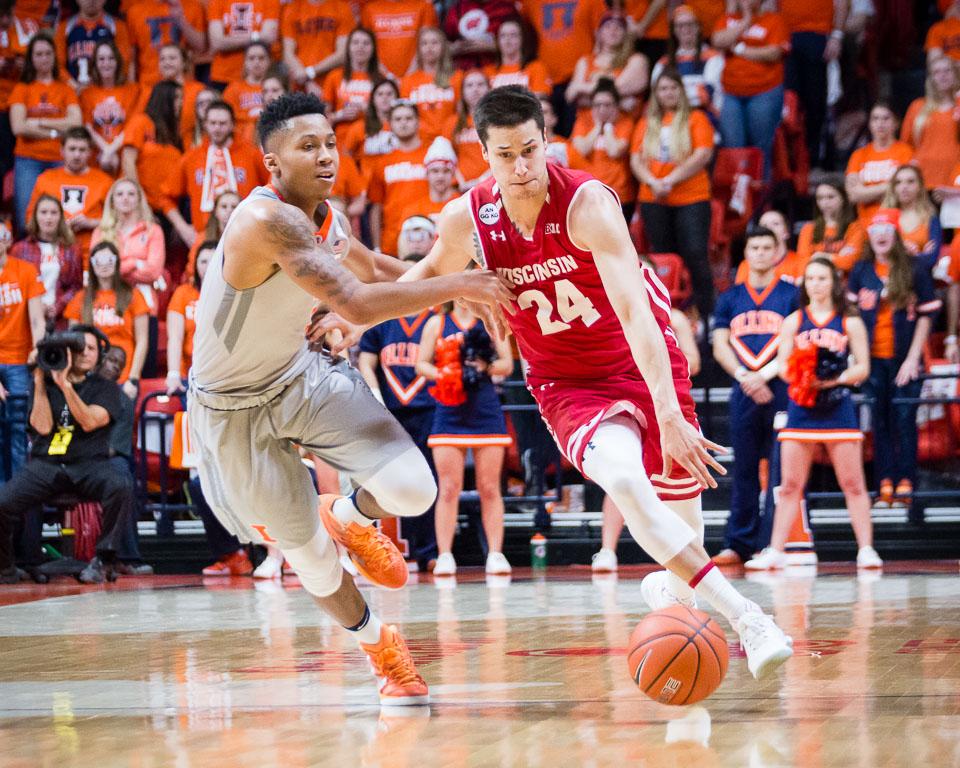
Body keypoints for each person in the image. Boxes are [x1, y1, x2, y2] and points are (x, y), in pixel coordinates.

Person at [323, 85, 793, 680]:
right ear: (483, 156)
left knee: (685, 535)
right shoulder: (469, 216)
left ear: (547, 143)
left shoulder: (589, 204)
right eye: (504, 155)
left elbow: (635, 314)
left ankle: (676, 602)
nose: (520, 169)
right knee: (624, 479)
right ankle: (749, 617)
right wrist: (355, 314)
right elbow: (420, 281)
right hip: (566, 381)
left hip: (641, 354)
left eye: (529, 150)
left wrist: (670, 413)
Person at [188, 92, 514, 705]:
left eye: (331, 143)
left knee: (415, 490)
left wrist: (449, 293)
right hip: (230, 409)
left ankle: (349, 515)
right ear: (272, 164)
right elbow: (357, 305)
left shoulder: (326, 216)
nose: (326, 155)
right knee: (309, 562)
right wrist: (463, 281)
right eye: (307, 146)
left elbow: (371, 267)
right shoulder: (267, 221)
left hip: (298, 375)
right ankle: (378, 649)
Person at [744, 258, 881, 570]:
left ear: (833, 282)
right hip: (801, 409)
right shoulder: (794, 320)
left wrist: (835, 377)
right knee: (790, 484)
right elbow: (783, 365)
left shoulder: (850, 321)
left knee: (853, 483)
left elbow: (862, 367)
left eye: (822, 278)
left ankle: (866, 550)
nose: (816, 284)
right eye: (810, 279)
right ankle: (776, 551)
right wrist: (804, 375)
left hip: (838, 409)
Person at [0, 326, 136, 585]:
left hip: (89, 464)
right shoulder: (45, 381)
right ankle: (5, 568)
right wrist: (40, 381)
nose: (84, 352)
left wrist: (66, 387)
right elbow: (41, 427)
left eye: (92, 348)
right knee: (3, 503)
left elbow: (89, 421)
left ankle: (103, 560)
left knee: (121, 484)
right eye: (79, 347)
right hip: (46, 463)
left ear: (100, 355)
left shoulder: (105, 387)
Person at [592, 252, 702, 572]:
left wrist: (661, 359)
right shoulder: (612, 311)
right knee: (621, 477)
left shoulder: (676, 317)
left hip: (669, 400)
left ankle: (686, 567)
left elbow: (693, 361)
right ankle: (607, 550)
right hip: (627, 398)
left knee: (679, 487)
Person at [708, 226, 798, 566]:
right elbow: (719, 346)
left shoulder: (792, 294)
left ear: (777, 253)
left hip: (781, 387)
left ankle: (772, 543)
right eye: (754, 247)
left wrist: (765, 375)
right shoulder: (730, 298)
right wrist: (746, 376)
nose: (760, 253)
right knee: (743, 467)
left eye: (766, 247)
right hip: (744, 388)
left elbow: (794, 345)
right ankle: (738, 543)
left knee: (779, 468)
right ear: (745, 254)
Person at [847, 209, 941, 509]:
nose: (881, 235)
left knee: (904, 418)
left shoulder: (914, 268)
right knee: (879, 420)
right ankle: (883, 483)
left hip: (905, 358)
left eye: (887, 230)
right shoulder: (861, 271)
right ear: (870, 237)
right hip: (872, 359)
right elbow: (851, 319)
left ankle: (907, 482)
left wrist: (913, 359)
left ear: (896, 235)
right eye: (875, 231)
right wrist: (856, 357)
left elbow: (927, 316)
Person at [416, 303, 514, 576]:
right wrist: (445, 374)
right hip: (449, 409)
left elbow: (507, 364)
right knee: (448, 487)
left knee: (489, 487)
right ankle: (445, 554)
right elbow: (421, 364)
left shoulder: (491, 320)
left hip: (485, 409)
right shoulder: (437, 323)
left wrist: (485, 366)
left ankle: (495, 553)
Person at [630, 68, 714, 323]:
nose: (668, 93)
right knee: (663, 255)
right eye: (663, 88)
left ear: (681, 91)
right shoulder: (646, 122)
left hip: (692, 197)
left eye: (673, 88)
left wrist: (670, 179)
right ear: (656, 94)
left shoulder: (696, 118)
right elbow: (635, 159)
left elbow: (703, 154)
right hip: (654, 198)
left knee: (695, 253)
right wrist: (653, 181)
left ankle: (708, 314)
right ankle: (667, 313)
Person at [161, 100, 269, 247]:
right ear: (205, 124)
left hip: (248, 236)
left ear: (232, 125)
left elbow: (272, 189)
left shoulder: (252, 154)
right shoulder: (192, 157)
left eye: (223, 123)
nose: (217, 128)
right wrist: (184, 229)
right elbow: (166, 197)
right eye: (212, 123)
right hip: (205, 239)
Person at [9, 32, 82, 233]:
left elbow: (75, 123)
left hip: (60, 159)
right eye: (38, 54)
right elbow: (18, 127)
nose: (44, 58)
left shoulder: (65, 89)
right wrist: (57, 129)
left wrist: (38, 122)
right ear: (31, 58)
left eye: (48, 53)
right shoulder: (22, 88)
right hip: (28, 159)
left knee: (61, 218)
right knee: (26, 218)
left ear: (55, 56)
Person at [711, 0, 790, 179]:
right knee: (733, 148)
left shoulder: (774, 20)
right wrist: (746, 21)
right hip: (731, 93)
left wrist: (738, 48)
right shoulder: (728, 18)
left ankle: (760, 200)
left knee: (760, 149)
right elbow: (718, 41)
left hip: (764, 91)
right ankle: (737, 200)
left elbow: (773, 53)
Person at [96, 344, 153, 576]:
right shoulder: (82, 389)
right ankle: (29, 560)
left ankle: (128, 557)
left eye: (119, 365)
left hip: (103, 459)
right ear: (99, 360)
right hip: (72, 458)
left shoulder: (123, 400)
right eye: (110, 360)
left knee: (123, 477)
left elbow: (114, 448)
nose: (113, 367)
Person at [64, 241, 150, 394]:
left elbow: (142, 340)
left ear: (117, 262)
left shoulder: (133, 296)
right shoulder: (80, 299)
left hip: (123, 377)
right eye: (98, 261)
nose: (104, 265)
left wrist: (133, 379)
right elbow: (73, 342)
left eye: (109, 260)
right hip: (88, 378)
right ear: (91, 264)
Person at [0, 224, 45, 481]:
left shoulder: (25, 270)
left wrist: (37, 351)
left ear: (8, 241)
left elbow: (38, 320)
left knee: (19, 431)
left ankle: (18, 500)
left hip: (18, 361)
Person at [28, 127, 114, 263]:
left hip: (93, 254)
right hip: (52, 255)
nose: (77, 155)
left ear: (90, 152)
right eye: (72, 149)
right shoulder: (45, 179)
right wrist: (58, 224)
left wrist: (92, 223)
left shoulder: (105, 181)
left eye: (82, 150)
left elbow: (118, 220)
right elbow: (30, 219)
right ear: (62, 151)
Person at [91, 177, 166, 312]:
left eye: (131, 194)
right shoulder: (100, 232)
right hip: (108, 302)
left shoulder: (153, 230)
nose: (125, 198)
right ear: (112, 200)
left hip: (144, 301)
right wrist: (135, 263)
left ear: (139, 199)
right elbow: (96, 268)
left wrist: (116, 266)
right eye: (119, 194)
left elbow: (154, 272)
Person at [367, 99, 429, 255]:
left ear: (417, 122)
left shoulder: (432, 154)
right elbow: (376, 207)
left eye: (408, 118)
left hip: (429, 237)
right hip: (392, 241)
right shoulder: (382, 162)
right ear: (390, 124)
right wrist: (376, 247)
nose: (403, 123)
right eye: (398, 119)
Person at [11, 195, 84, 325]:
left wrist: (58, 306)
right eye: (43, 212)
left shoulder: (72, 249)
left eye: (54, 213)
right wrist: (37, 306)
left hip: (61, 319)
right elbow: (14, 286)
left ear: (61, 217)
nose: (48, 218)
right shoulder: (19, 249)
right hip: (27, 319)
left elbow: (76, 286)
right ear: (35, 216)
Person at [570, 79, 636, 220]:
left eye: (607, 105)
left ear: (616, 106)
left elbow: (614, 151)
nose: (602, 110)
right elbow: (581, 150)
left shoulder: (625, 122)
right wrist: (597, 127)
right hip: (588, 193)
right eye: (597, 105)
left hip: (618, 194)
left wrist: (607, 128)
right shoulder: (584, 121)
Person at [566, 12, 649, 118]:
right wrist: (621, 102)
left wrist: (580, 87)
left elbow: (618, 88)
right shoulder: (585, 61)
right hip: (585, 125)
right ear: (599, 33)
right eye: (608, 26)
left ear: (626, 34)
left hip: (622, 124)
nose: (613, 31)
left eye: (618, 27)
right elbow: (572, 96)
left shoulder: (637, 60)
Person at [121, 80, 183, 214]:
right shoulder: (141, 121)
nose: (181, 102)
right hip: (142, 206)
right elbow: (128, 161)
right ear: (164, 98)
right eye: (177, 97)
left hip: (167, 207)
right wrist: (138, 200)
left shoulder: (175, 132)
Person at [845, 102, 914, 223]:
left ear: (896, 123)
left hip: (898, 222)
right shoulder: (859, 155)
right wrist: (891, 186)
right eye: (875, 118)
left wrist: (865, 192)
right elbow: (853, 195)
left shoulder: (906, 152)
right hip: (865, 223)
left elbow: (908, 190)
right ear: (870, 124)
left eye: (886, 118)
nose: (880, 124)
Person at [651, 5, 723, 119]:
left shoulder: (713, 58)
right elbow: (656, 96)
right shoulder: (663, 62)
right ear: (673, 30)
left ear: (698, 27)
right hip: (670, 119)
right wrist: (694, 91)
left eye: (690, 24)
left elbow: (706, 94)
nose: (685, 29)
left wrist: (670, 97)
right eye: (680, 26)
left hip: (704, 118)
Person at [79, 39, 139, 175]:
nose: (106, 63)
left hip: (123, 154)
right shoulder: (87, 93)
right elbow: (88, 128)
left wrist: (111, 150)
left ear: (117, 62)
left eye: (111, 58)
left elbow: (131, 127)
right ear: (95, 64)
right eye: (101, 59)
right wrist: (105, 150)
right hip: (96, 156)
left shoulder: (132, 91)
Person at [901, 56, 960, 191]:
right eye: (937, 72)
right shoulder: (917, 106)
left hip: (956, 178)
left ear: (956, 74)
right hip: (923, 177)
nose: (942, 76)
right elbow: (905, 143)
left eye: (947, 71)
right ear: (931, 78)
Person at [126, 0, 205, 94]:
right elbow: (132, 59)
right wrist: (132, 90)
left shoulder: (193, 6)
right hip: (148, 86)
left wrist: (181, 20)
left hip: (183, 85)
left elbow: (201, 46)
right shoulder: (135, 11)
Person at [166, 240, 214, 395]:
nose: (207, 267)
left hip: (221, 374)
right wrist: (173, 374)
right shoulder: (183, 293)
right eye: (203, 261)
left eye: (213, 261)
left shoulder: (232, 294)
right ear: (195, 265)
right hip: (190, 375)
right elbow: (175, 338)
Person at [400, 27, 463, 144]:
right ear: (418, 49)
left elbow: (461, 112)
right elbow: (405, 116)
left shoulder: (457, 77)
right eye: (424, 43)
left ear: (443, 47)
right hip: (419, 141)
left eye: (435, 42)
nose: (429, 47)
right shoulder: (408, 81)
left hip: (451, 139)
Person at [54, 0, 131, 92]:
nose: (91, 1)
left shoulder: (117, 27)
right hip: (73, 92)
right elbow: (57, 65)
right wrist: (73, 85)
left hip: (106, 91)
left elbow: (124, 63)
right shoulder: (65, 28)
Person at [281, 0, 353, 94]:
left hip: (331, 80)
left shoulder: (341, 8)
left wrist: (311, 72)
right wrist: (307, 79)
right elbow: (288, 53)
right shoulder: (292, 8)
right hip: (299, 81)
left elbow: (343, 53)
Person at [322, 28, 381, 144]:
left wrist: (368, 110)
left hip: (372, 138)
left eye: (366, 43)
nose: (360, 47)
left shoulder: (380, 79)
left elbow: (388, 116)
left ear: (373, 49)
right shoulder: (334, 76)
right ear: (348, 47)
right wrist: (340, 115)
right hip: (340, 140)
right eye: (355, 42)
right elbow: (322, 117)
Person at [878, 164, 941, 270]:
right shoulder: (883, 217)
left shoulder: (931, 218)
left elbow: (931, 259)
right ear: (893, 187)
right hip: (887, 278)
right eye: (898, 182)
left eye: (910, 181)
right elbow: (879, 258)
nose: (904, 187)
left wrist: (897, 253)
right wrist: (916, 254)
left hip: (921, 280)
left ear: (920, 186)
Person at [207, 0, 279, 90]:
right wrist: (256, 36)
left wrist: (227, 40)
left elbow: (269, 37)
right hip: (223, 76)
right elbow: (217, 42)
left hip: (261, 77)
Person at [795, 179, 864, 272]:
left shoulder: (856, 228)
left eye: (830, 197)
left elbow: (849, 262)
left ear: (843, 198)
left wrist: (819, 256)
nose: (824, 203)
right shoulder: (808, 228)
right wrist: (837, 258)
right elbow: (803, 262)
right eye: (820, 198)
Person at [361, 0, 438, 79]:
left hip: (416, 77)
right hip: (380, 80)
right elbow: (367, 46)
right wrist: (389, 77)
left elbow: (427, 43)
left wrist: (408, 77)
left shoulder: (424, 6)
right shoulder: (369, 9)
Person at [734, 209, 806, 286]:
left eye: (775, 224)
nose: (769, 228)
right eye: (764, 225)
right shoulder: (747, 265)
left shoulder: (802, 262)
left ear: (786, 232)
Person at [446, 70, 491, 189]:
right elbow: (447, 156)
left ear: (489, 89)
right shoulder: (452, 122)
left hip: (492, 185)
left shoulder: (499, 120)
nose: (475, 89)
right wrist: (461, 182)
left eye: (480, 84)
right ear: (462, 92)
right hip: (461, 187)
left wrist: (482, 181)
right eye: (469, 85)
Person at [484, 17, 551, 96]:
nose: (507, 40)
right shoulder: (487, 72)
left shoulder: (536, 68)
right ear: (497, 41)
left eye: (513, 35)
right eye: (503, 35)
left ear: (522, 39)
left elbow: (540, 100)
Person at [184, 190, 239, 282]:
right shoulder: (203, 238)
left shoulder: (249, 237)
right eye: (224, 206)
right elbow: (191, 270)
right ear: (216, 212)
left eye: (234, 207)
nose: (229, 210)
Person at [222, 42, 270, 146]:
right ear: (245, 62)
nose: (256, 62)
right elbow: (226, 116)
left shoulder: (274, 87)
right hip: (241, 140)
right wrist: (253, 117)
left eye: (261, 58)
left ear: (269, 61)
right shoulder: (233, 88)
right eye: (251, 58)